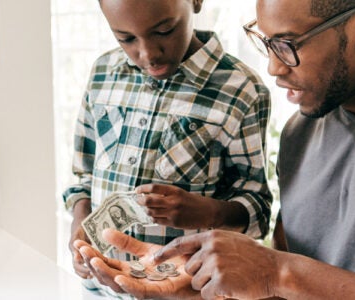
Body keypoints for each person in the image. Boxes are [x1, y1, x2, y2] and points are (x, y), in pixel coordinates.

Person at [75, 0, 355, 299]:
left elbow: (280, 271)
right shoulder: (300, 134)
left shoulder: (244, 93)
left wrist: (274, 272)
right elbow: (286, 290)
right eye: (267, 42)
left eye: (287, 43)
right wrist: (196, 290)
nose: (273, 67)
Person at [63, 0, 272, 297]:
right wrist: (78, 229)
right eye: (126, 38)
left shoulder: (241, 90)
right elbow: (83, 177)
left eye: (164, 30)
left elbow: (258, 211)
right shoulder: (102, 74)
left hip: (183, 292)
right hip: (98, 290)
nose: (148, 53)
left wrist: (206, 212)